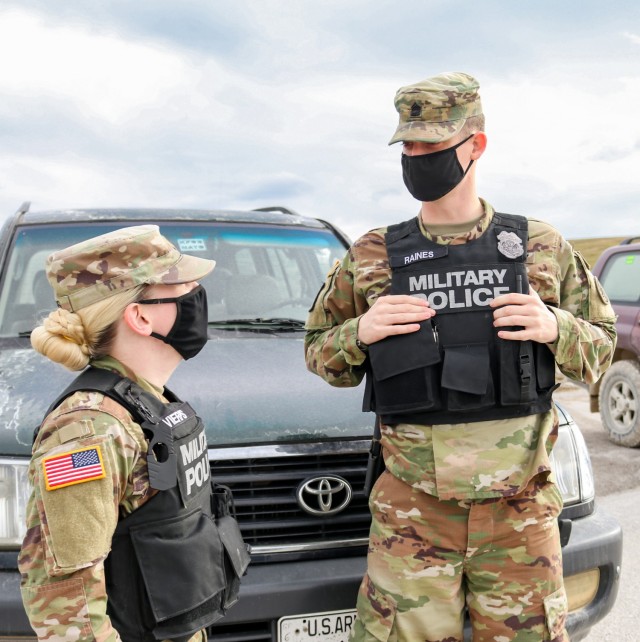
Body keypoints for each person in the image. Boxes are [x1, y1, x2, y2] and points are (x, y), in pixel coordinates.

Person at [304, 72, 617, 642]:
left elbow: (599, 351)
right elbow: (321, 358)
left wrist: (555, 327)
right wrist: (360, 333)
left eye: (434, 144)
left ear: (476, 144)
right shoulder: (373, 254)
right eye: (410, 145)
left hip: (519, 516)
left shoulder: (539, 247)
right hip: (412, 521)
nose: (419, 157)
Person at [19, 224, 249, 642]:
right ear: (140, 316)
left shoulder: (145, 400)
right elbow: (67, 606)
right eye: (184, 285)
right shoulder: (88, 432)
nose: (198, 293)